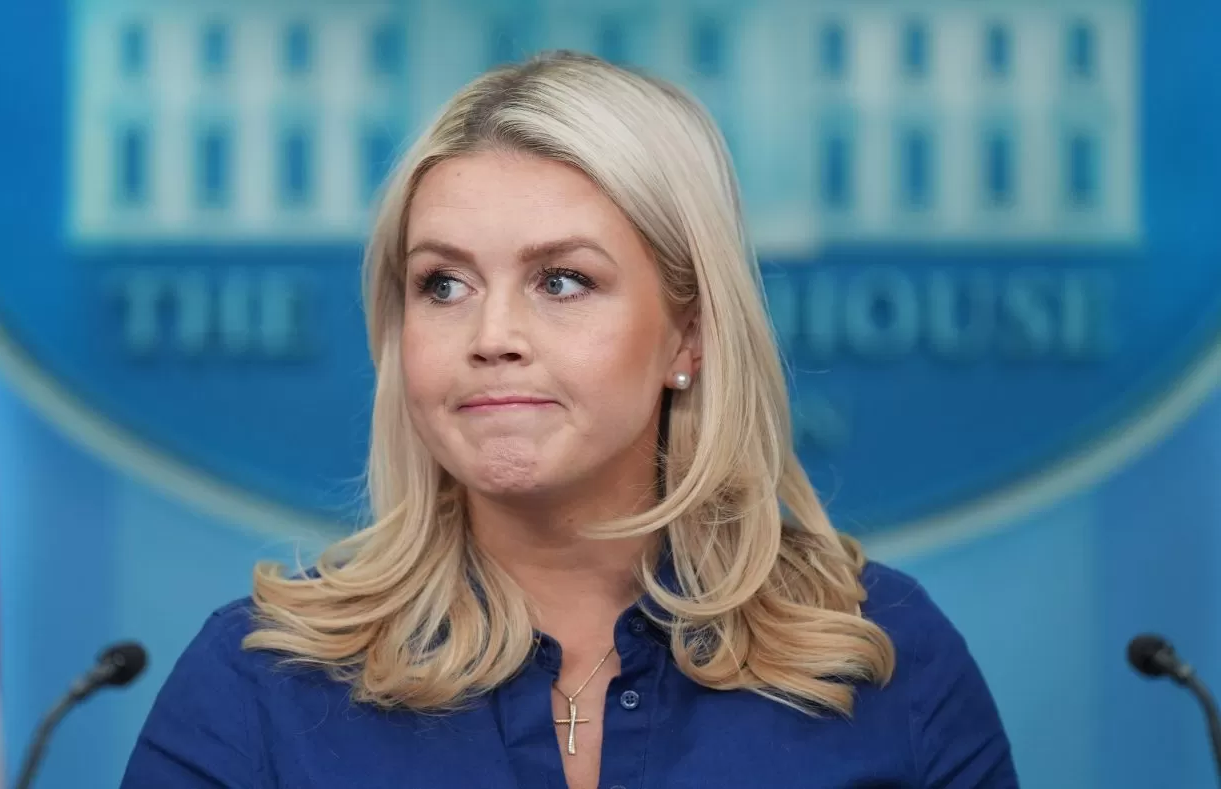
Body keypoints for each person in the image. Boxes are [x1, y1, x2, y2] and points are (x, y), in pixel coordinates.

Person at [120, 51, 1018, 789]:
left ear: (689, 334)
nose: (492, 336)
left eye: (562, 280)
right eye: (443, 284)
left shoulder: (886, 655)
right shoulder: (259, 682)